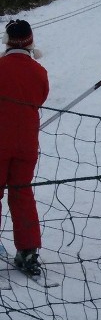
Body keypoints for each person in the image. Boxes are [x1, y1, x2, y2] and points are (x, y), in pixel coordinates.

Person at [0, 20, 49, 277]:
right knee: (22, 193)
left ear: (7, 40)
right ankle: (28, 250)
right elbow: (40, 99)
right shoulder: (39, 71)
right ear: (30, 41)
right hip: (26, 143)